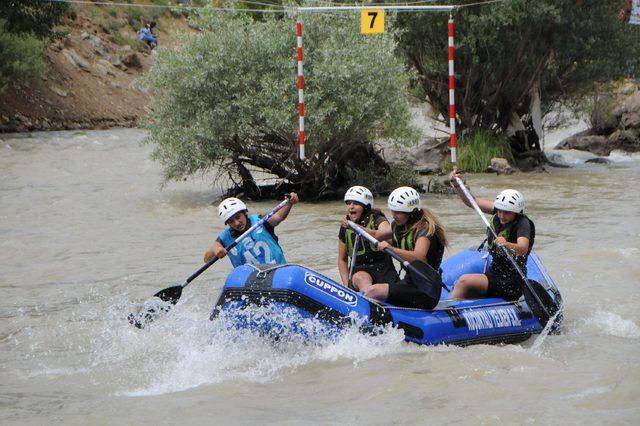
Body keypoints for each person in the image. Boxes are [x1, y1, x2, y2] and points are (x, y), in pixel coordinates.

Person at [448, 170, 535, 300]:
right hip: (494, 272)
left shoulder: (523, 223)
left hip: (511, 280)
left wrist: (507, 244)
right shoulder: (499, 212)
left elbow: (523, 248)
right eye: (499, 211)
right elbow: (472, 202)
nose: (501, 216)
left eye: (506, 213)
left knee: (463, 282)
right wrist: (458, 185)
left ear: (516, 212)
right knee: (465, 289)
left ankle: (450, 310)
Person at [358, 186, 448, 309]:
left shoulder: (425, 229)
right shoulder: (399, 225)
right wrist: (353, 226)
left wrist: (391, 249)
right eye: (392, 210)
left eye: (398, 212)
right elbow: (376, 235)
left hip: (427, 289)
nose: (393, 215)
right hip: (409, 282)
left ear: (412, 212)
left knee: (374, 291)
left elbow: (419, 257)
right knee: (373, 291)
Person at [204, 193, 299, 267]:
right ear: (227, 224)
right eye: (231, 221)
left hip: (277, 271)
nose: (237, 223)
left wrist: (290, 203)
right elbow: (207, 258)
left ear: (245, 213)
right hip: (252, 283)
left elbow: (278, 216)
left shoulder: (260, 221)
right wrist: (217, 250)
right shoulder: (225, 237)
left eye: (238, 217)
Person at [338, 186, 396, 291]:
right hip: (359, 271)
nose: (351, 207)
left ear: (366, 206)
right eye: (348, 203)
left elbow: (388, 235)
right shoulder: (345, 227)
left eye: (355, 203)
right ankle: (369, 301)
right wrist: (346, 286)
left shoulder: (378, 219)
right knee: (362, 278)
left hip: (384, 269)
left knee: (395, 289)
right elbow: (342, 259)